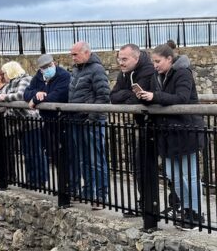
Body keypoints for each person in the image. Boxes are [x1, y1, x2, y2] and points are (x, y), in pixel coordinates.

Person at [137, 44, 204, 230]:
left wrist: (154, 96)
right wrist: (144, 97)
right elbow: (156, 97)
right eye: (153, 62)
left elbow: (182, 97)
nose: (155, 65)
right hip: (167, 134)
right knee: (173, 175)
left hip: (185, 131)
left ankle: (195, 213)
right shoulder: (156, 77)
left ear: (169, 59)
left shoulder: (183, 73)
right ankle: (186, 208)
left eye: (158, 61)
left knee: (189, 174)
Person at [110, 43, 157, 214]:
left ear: (136, 58)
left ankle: (176, 206)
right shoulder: (125, 73)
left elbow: (138, 100)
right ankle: (145, 204)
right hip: (143, 125)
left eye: (124, 59)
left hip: (158, 125)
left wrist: (127, 95)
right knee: (140, 166)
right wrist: (128, 93)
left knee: (171, 169)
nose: (120, 63)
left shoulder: (148, 70)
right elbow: (113, 96)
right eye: (119, 59)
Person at [67, 41, 110, 205]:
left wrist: (91, 118)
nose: (73, 58)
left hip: (91, 121)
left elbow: (104, 96)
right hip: (77, 120)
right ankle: (88, 191)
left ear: (86, 53)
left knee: (96, 160)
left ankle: (100, 195)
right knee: (84, 159)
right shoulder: (77, 69)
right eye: (72, 54)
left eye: (75, 54)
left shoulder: (97, 69)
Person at [0, 61, 46, 187]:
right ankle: (31, 178)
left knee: (35, 152)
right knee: (27, 152)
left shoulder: (25, 79)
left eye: (5, 73)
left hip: (32, 121)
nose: (4, 76)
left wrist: (5, 97)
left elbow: (21, 95)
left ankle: (39, 179)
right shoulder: (10, 84)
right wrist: (1, 97)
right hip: (20, 123)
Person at [23, 54, 71, 169]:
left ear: (53, 63)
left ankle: (67, 184)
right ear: (40, 69)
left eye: (49, 65)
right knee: (53, 153)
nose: (47, 69)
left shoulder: (64, 75)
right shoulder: (39, 76)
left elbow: (58, 95)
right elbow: (26, 93)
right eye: (44, 68)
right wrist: (37, 94)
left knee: (64, 156)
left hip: (61, 120)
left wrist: (35, 99)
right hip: (46, 120)